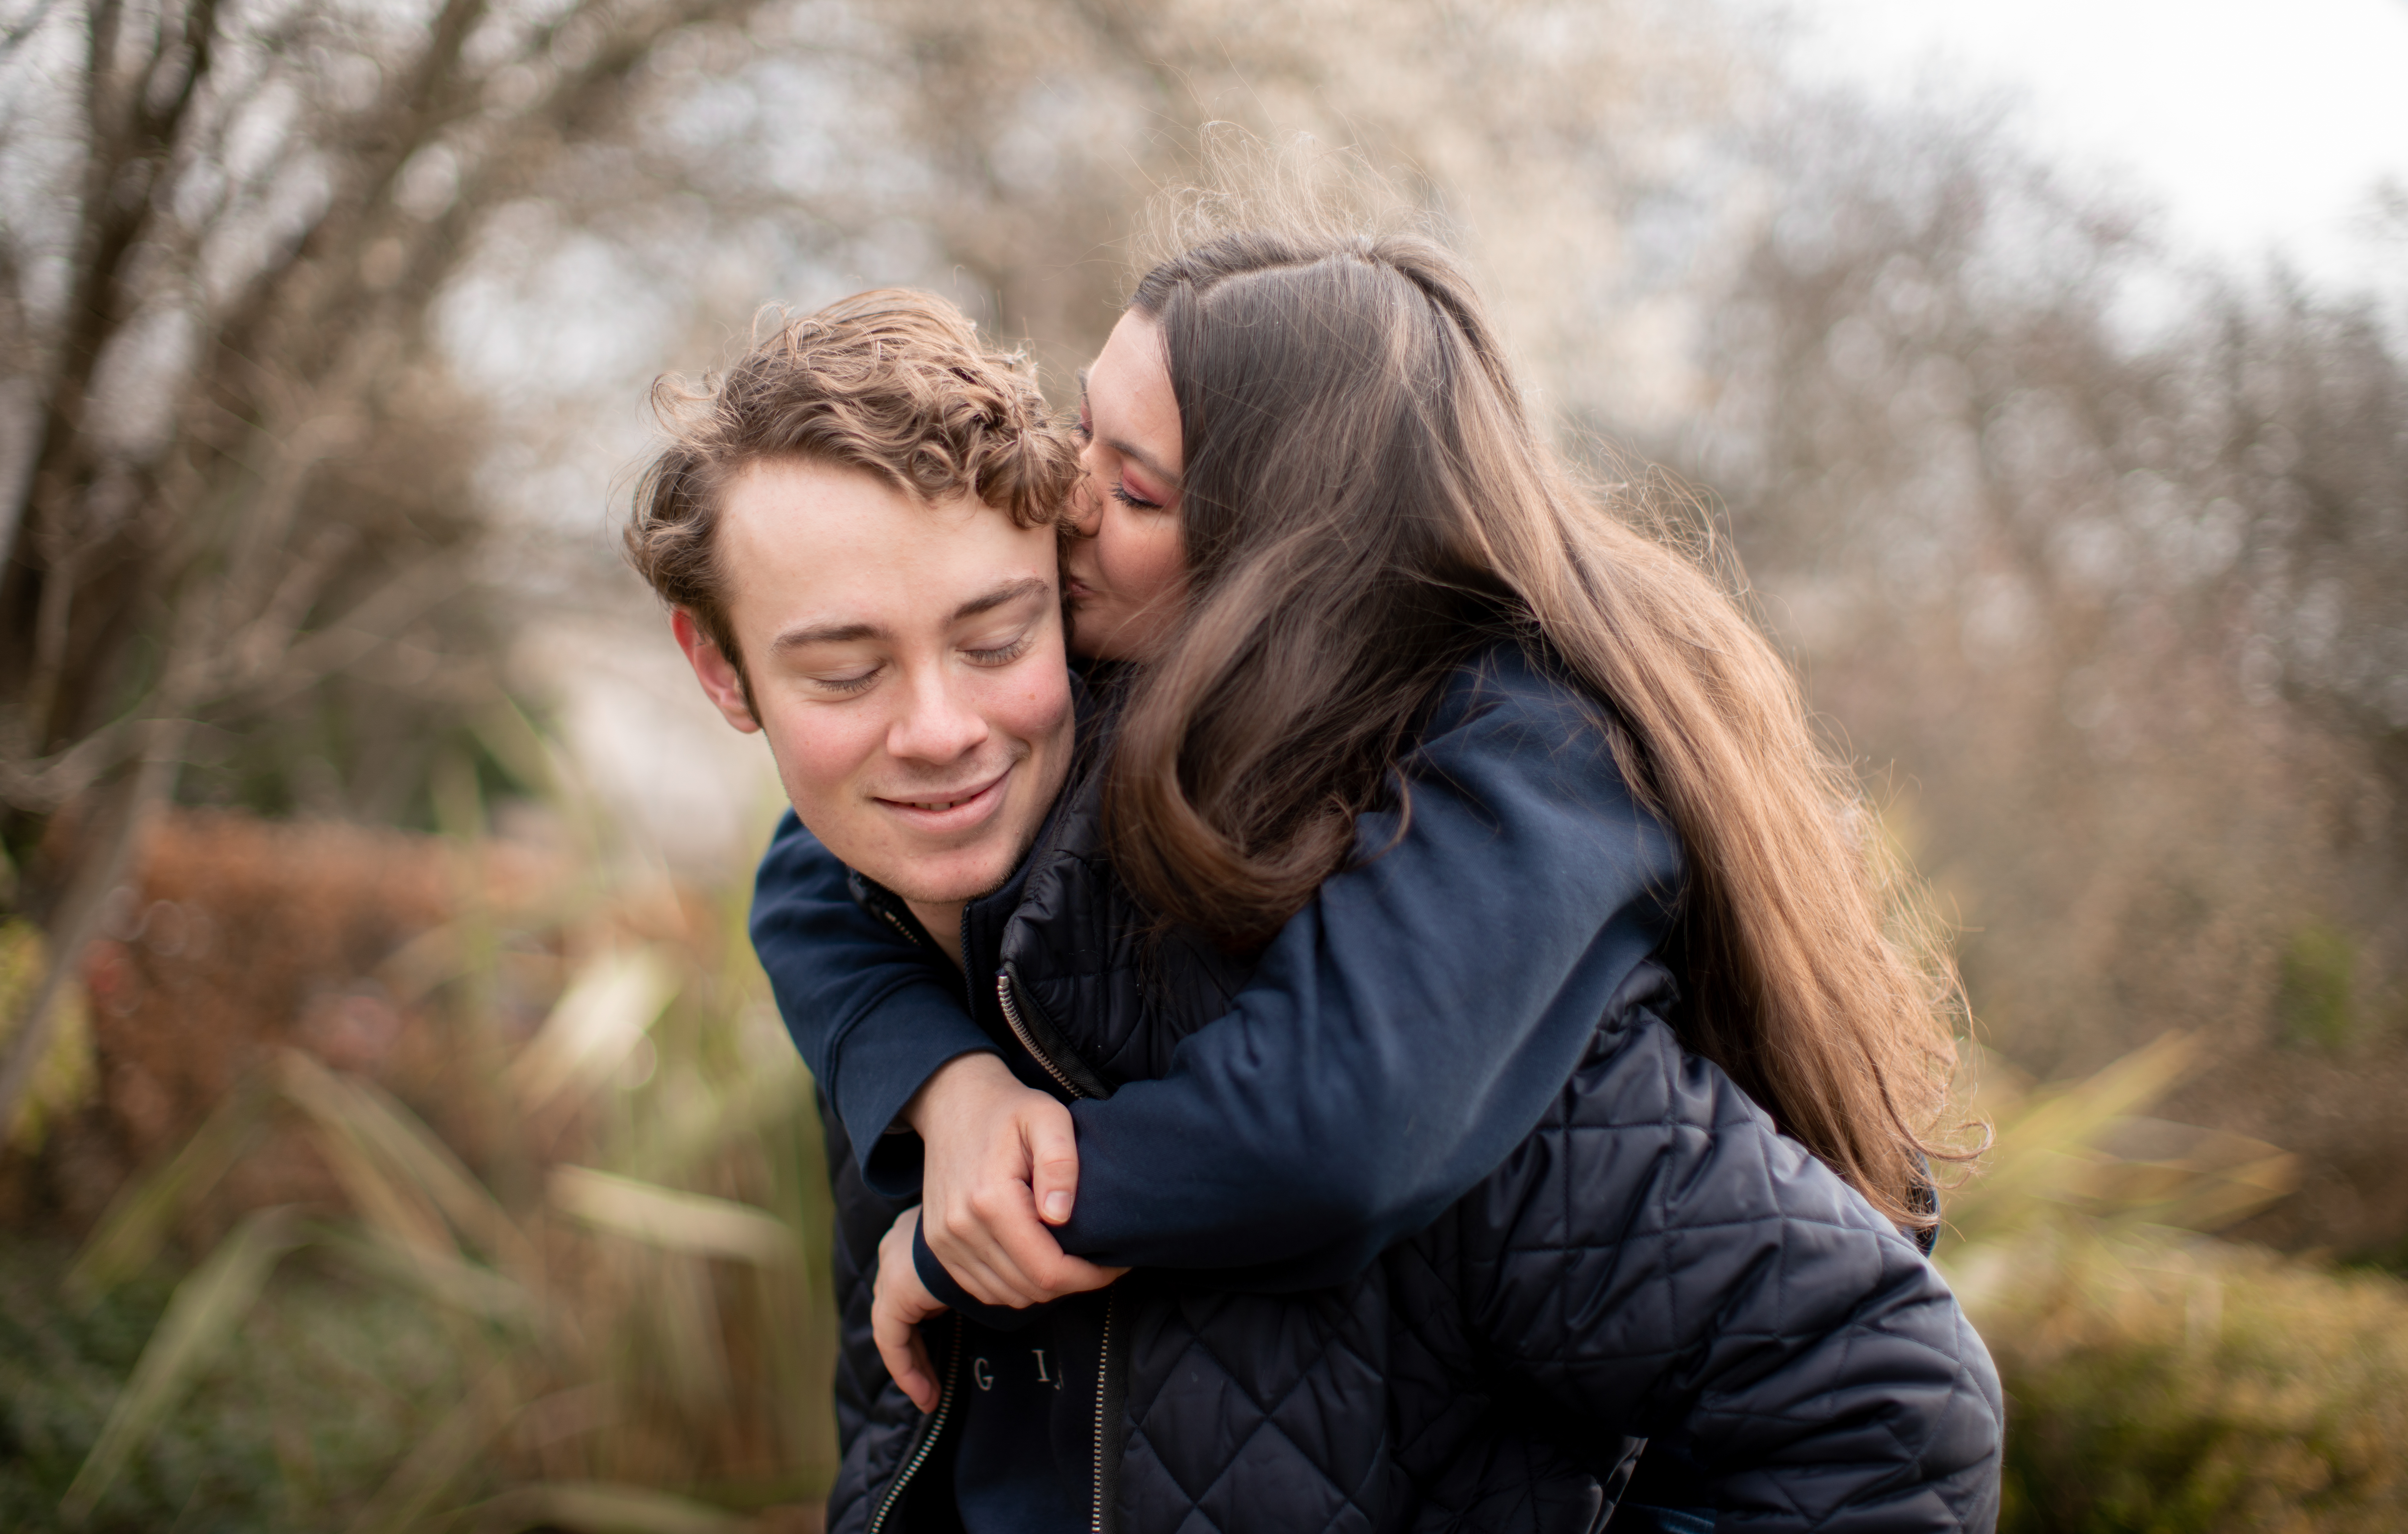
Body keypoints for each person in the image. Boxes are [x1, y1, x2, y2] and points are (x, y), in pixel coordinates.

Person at [633, 243, 2002, 1533]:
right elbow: (806, 877)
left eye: (996, 637)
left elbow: (1878, 1399)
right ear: (723, 672)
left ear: (1276, 574)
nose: (1070, 504)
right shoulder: (917, 902)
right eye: (843, 674)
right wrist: (940, 1084)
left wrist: (1012, 1209)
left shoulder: (1433, 907)